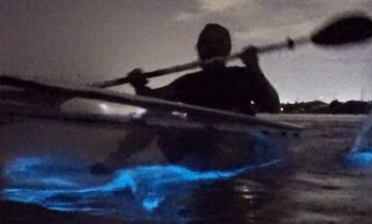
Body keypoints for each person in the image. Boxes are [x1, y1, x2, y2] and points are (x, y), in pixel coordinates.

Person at [91, 23, 280, 174]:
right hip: (194, 146)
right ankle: (113, 162)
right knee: (154, 113)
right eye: (206, 42)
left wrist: (254, 67)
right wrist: (139, 85)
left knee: (233, 139)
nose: (212, 47)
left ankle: (218, 183)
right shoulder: (188, 82)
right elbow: (152, 100)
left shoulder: (244, 75)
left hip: (235, 146)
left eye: (218, 42)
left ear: (228, 48)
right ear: (198, 49)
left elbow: (272, 106)